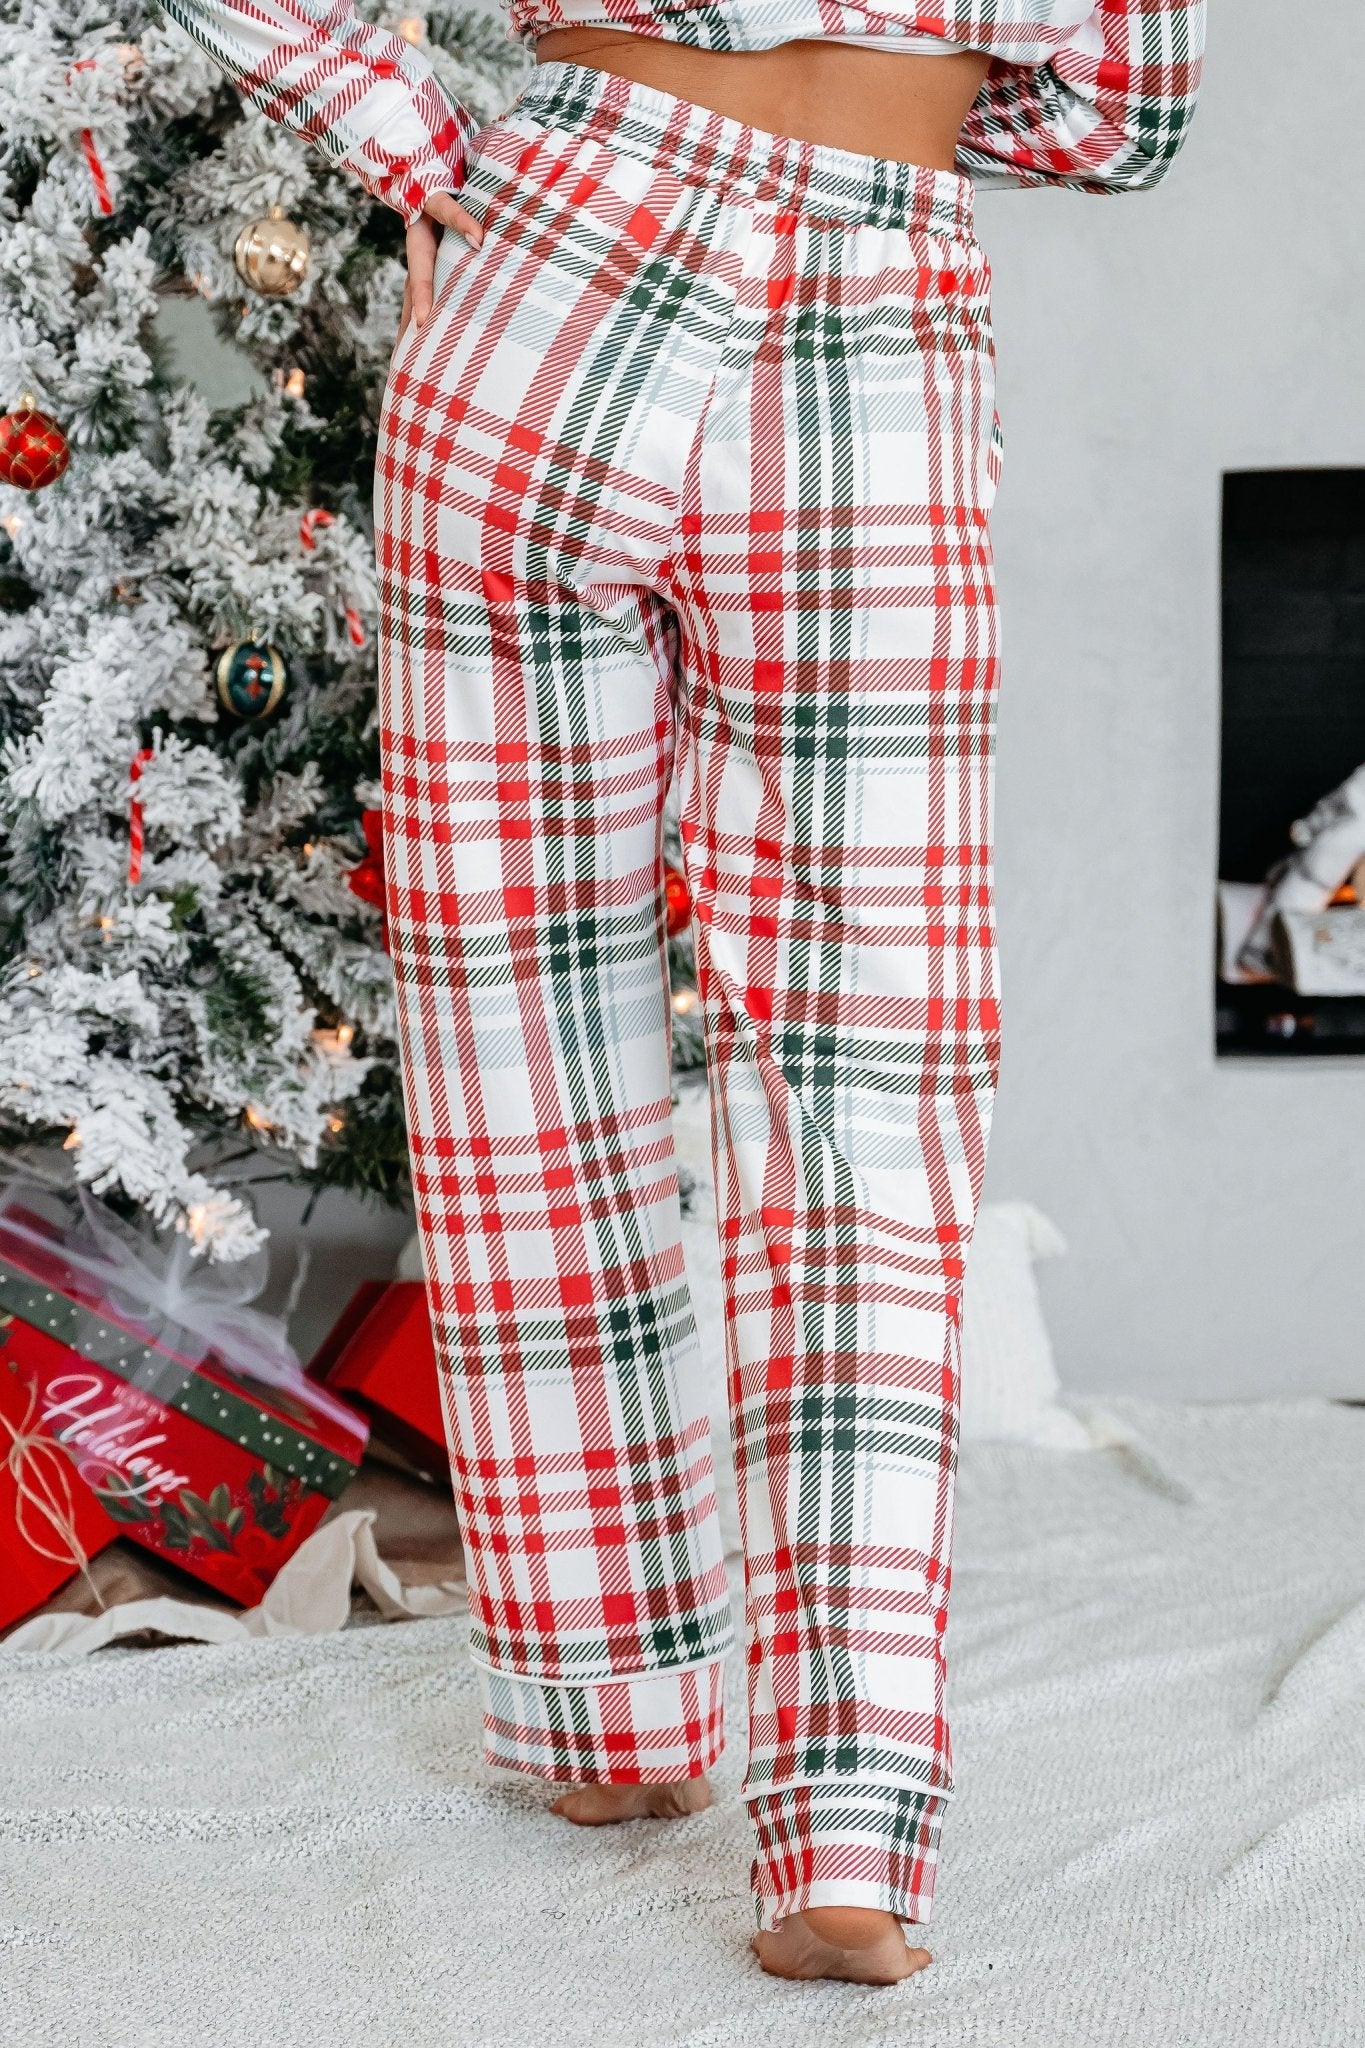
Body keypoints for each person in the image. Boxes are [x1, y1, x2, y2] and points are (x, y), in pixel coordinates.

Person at [163, 0, 1204, 1987]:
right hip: (870, 295)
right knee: (862, 1080)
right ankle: (843, 1824)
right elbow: (1120, 116)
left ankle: (608, 1719)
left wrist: (423, 132)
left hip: (554, 251)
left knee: (517, 1031)